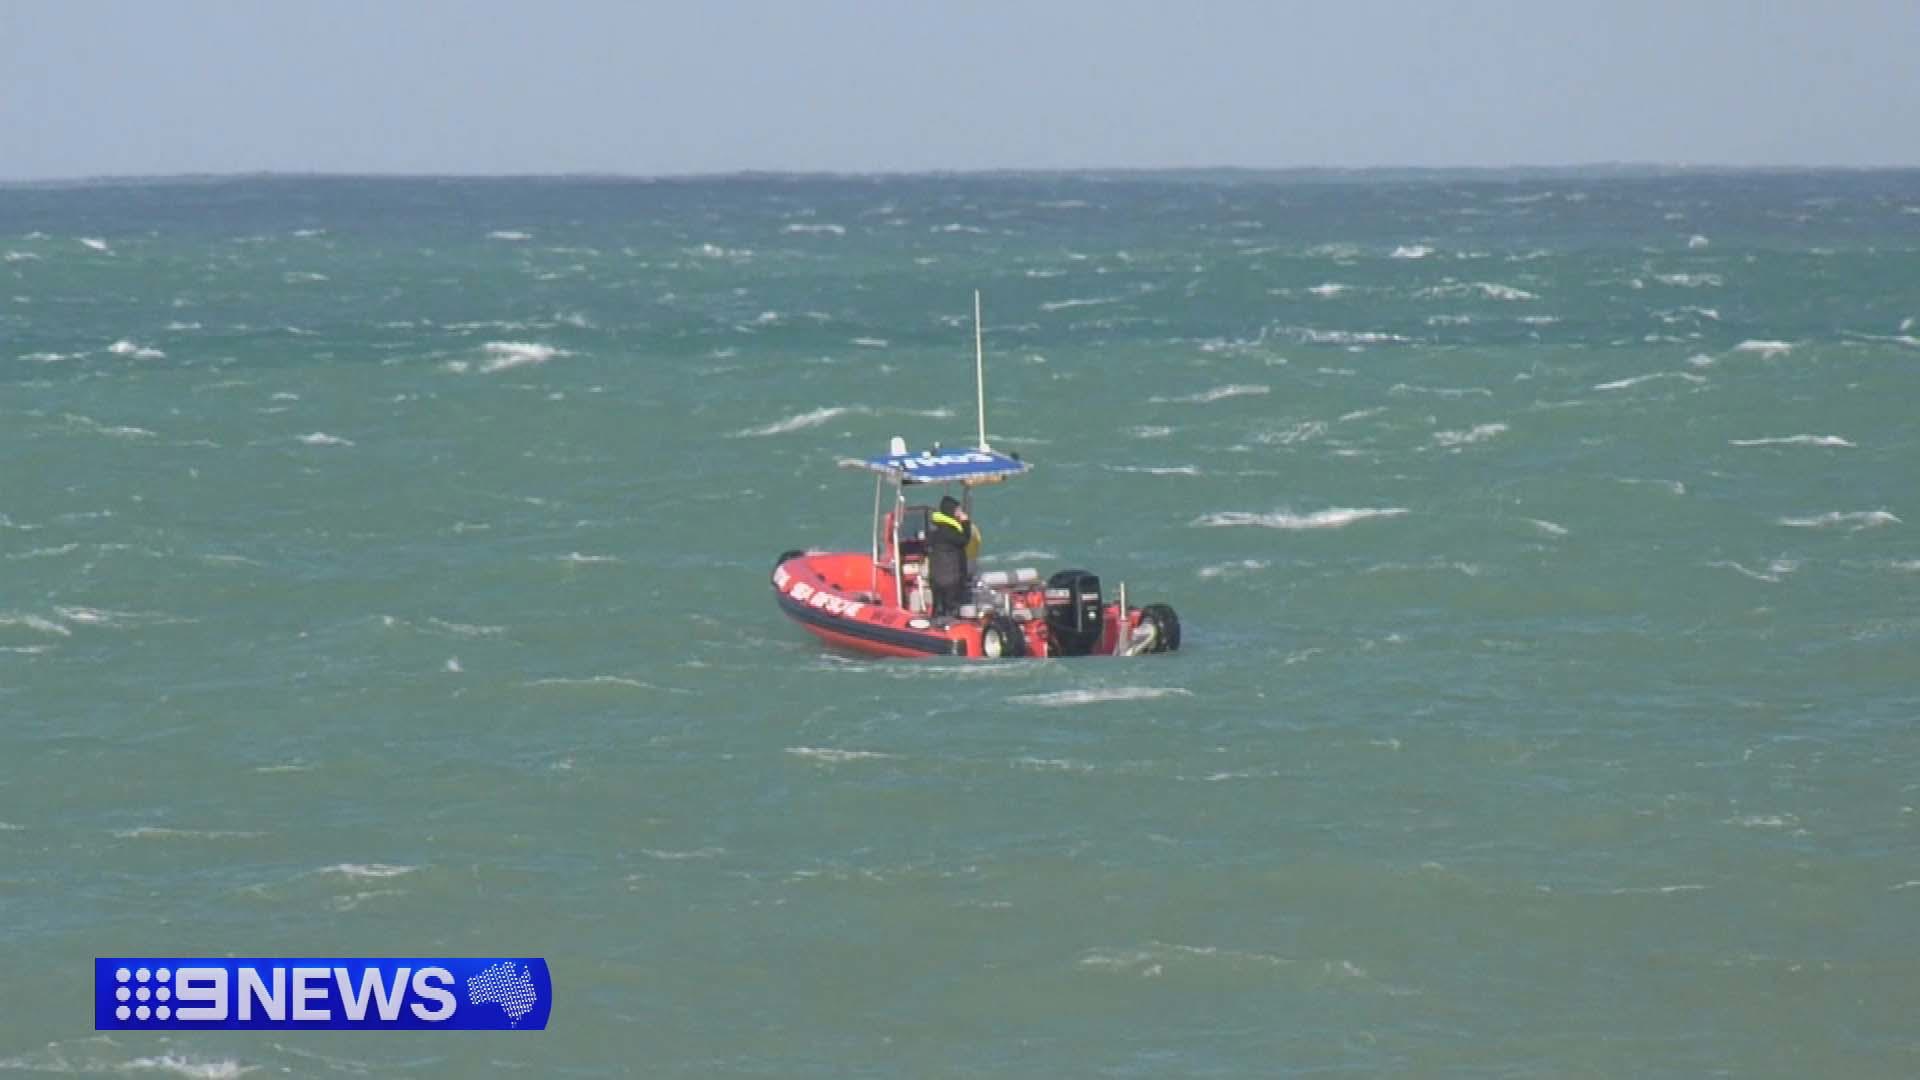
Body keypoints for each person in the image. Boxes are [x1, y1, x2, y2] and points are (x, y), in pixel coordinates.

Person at [926, 494, 976, 617]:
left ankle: (936, 622)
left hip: (936, 578)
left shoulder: (936, 531)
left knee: (938, 606)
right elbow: (964, 540)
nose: (960, 513)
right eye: (958, 510)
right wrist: (965, 523)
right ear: (951, 511)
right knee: (951, 608)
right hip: (951, 578)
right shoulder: (950, 532)